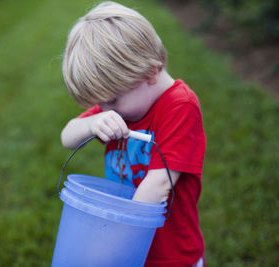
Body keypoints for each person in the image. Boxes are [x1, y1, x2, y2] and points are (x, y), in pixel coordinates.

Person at [60, 2, 206, 266]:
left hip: (170, 255)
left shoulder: (179, 106)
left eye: (112, 101)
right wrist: (93, 123)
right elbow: (67, 136)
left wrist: (115, 242)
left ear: (150, 72)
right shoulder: (117, 104)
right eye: (100, 103)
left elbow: (158, 185)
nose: (106, 110)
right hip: (128, 248)